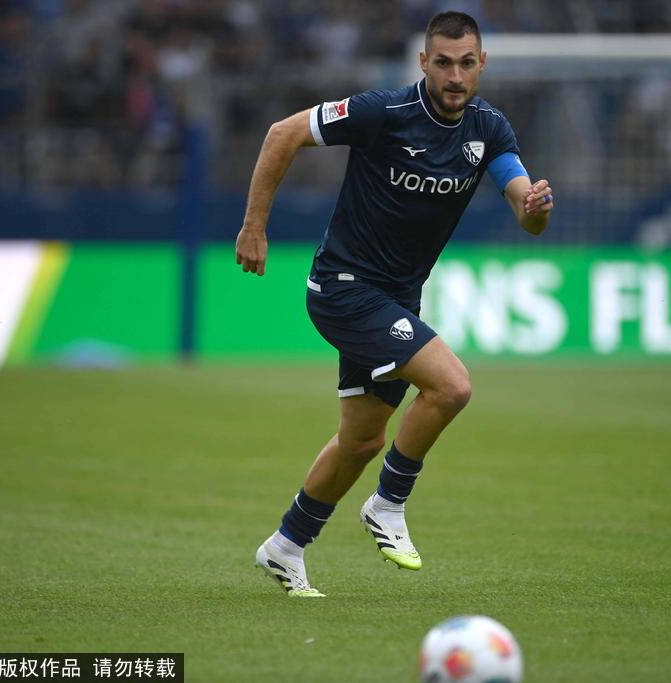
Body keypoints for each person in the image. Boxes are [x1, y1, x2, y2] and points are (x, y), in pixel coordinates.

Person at [235, 12, 553, 597]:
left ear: (482, 65)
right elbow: (282, 133)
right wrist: (254, 227)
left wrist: (534, 208)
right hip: (344, 288)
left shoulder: (489, 129)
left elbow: (523, 206)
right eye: (443, 63)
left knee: (361, 440)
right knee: (452, 387)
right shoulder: (383, 111)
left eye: (466, 63)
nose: (454, 76)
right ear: (423, 63)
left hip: (397, 298)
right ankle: (388, 503)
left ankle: (285, 546)